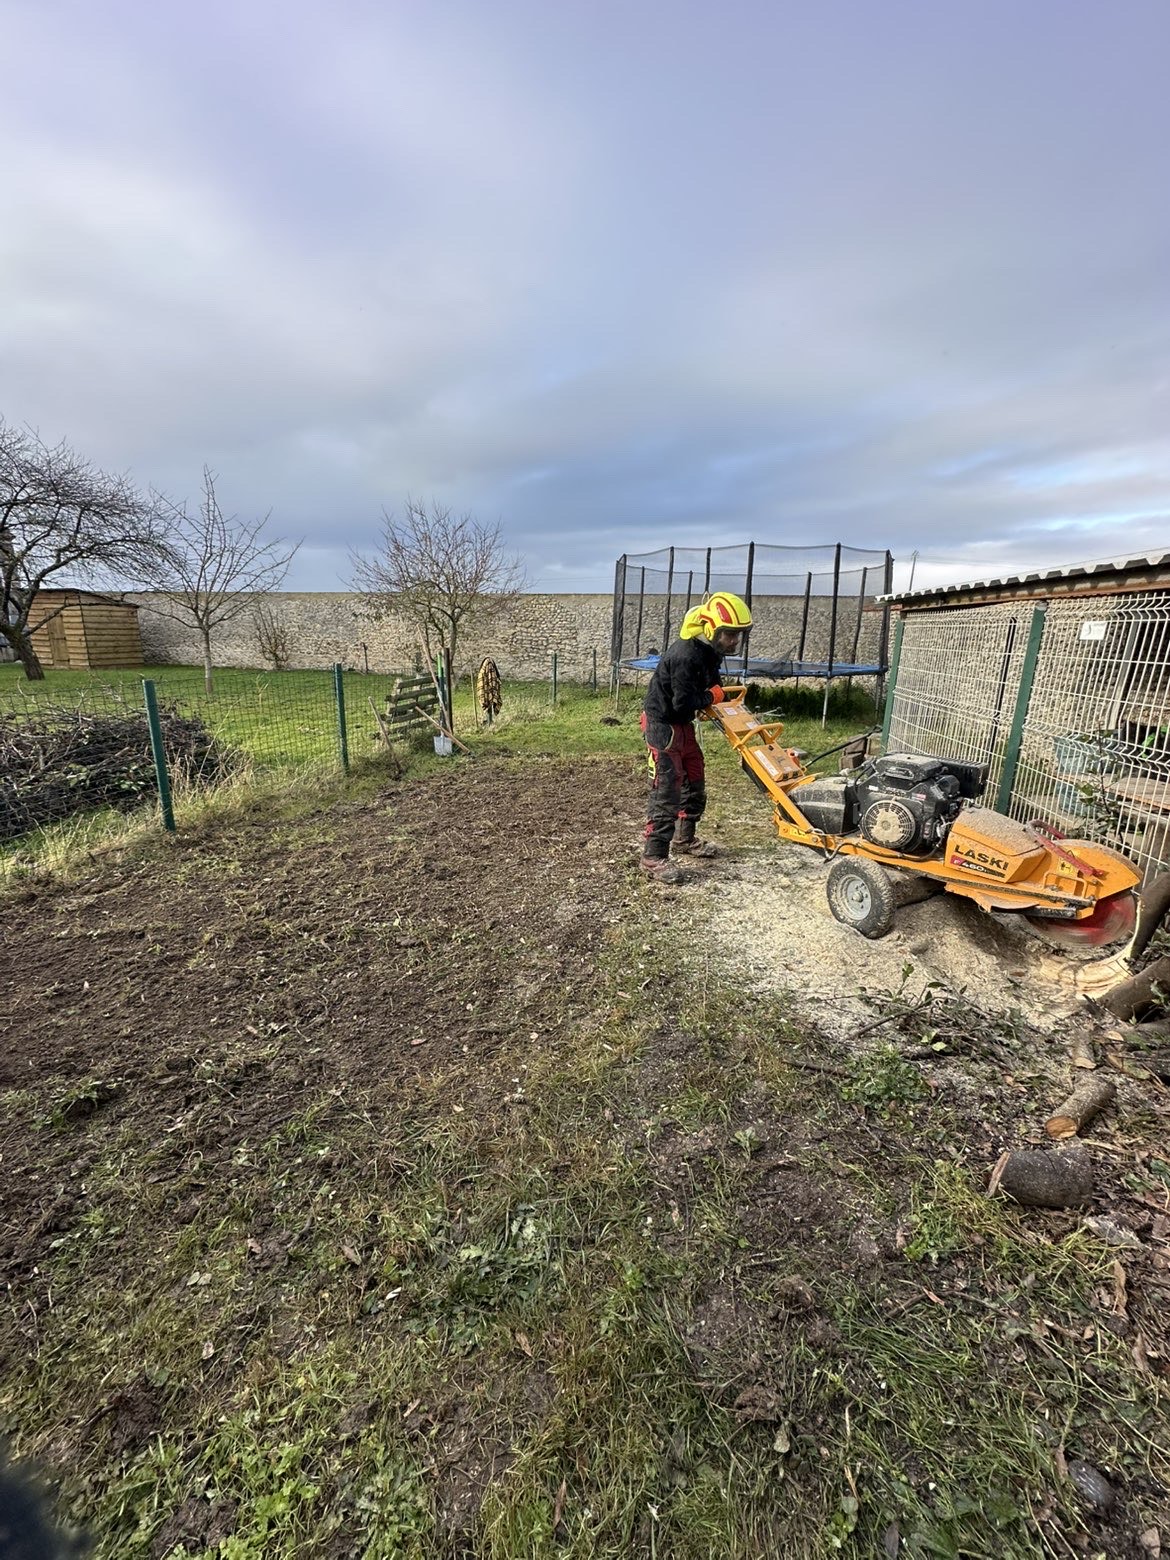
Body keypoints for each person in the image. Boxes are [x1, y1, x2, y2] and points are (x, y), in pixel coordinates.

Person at [639, 591, 752, 883]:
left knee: (694, 778)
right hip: (663, 724)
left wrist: (715, 696)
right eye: (730, 635)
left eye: (738, 636)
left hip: (683, 725)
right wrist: (710, 696)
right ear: (712, 629)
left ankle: (684, 839)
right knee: (667, 789)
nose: (734, 641)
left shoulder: (711, 652)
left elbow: (713, 685)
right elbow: (682, 702)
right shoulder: (684, 655)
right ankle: (653, 857)